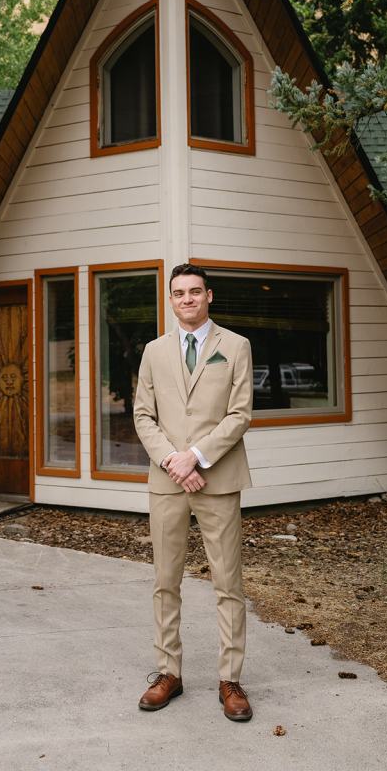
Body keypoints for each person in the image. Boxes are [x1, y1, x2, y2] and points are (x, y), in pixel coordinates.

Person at [133, 262, 254, 721]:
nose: (187, 299)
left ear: (209, 296)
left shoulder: (236, 346)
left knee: (228, 584)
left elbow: (240, 414)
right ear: (171, 300)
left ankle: (230, 680)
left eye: (195, 291)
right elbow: (143, 415)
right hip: (167, 482)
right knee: (166, 582)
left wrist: (196, 456)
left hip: (218, 480)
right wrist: (173, 460)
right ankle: (169, 673)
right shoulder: (153, 351)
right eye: (179, 293)